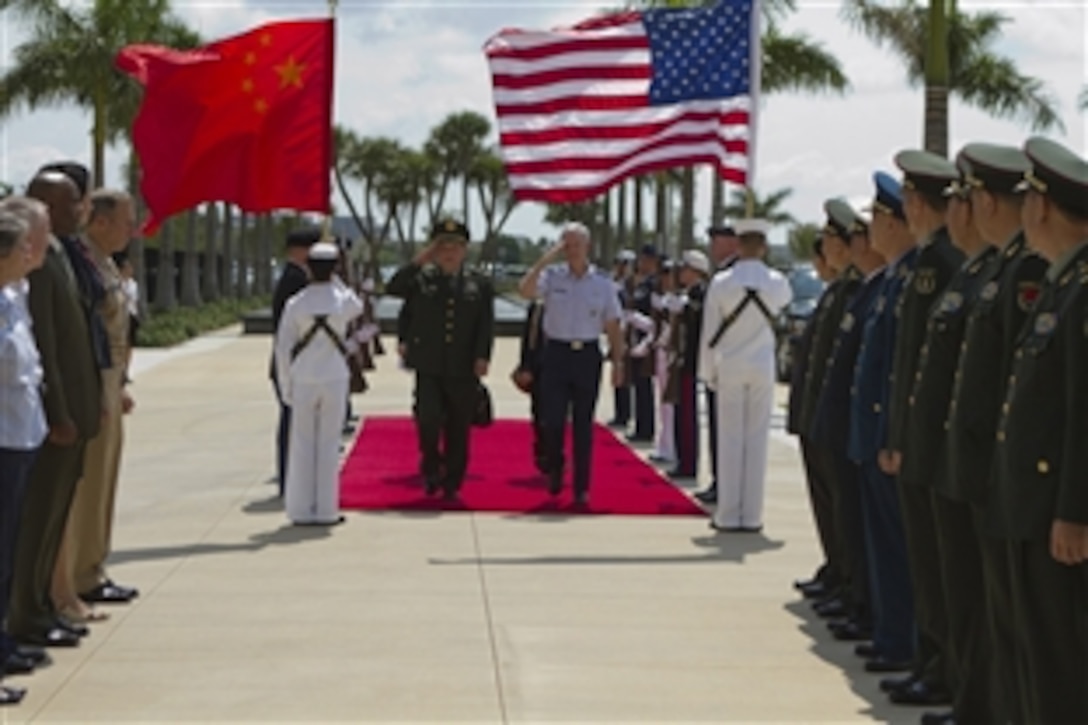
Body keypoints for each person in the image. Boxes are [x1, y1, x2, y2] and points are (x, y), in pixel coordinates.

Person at [943, 143, 1047, 725]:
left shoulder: (1027, 272)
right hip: (985, 468)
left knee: (1015, 620)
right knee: (984, 605)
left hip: (1007, 476)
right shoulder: (996, 269)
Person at [990, 137, 1088, 725]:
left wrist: (1075, 508)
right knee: (1034, 652)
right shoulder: (1062, 283)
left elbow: (1083, 409)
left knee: (1058, 658)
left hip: (1058, 512)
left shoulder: (1080, 291)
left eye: (1027, 199)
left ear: (1043, 207)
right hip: (1030, 502)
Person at [910, 145, 1008, 725]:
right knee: (955, 588)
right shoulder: (975, 271)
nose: (956, 213)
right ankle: (958, 685)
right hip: (953, 458)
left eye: (964, 200)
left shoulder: (1005, 275)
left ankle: (973, 697)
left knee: (981, 601)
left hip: (979, 467)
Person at [882, 150, 964, 707]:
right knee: (929, 565)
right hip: (917, 435)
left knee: (942, 569)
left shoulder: (938, 264)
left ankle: (942, 670)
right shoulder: (926, 262)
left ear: (916, 203)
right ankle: (933, 663)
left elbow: (927, 365)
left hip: (931, 440)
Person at [8, 173, 101, 648]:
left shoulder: (62, 255)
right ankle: (26, 613)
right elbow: (44, 344)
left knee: (51, 521)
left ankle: (41, 607)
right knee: (35, 523)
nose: (78, 211)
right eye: (67, 205)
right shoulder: (38, 268)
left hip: (71, 413)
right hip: (46, 421)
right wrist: (60, 412)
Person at [848, 171, 918, 675]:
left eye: (876, 216)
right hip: (874, 431)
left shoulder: (914, 276)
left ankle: (903, 639)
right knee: (884, 544)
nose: (870, 226)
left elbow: (902, 366)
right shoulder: (893, 278)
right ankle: (891, 632)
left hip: (890, 435)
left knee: (900, 548)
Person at [58, 189, 139, 619]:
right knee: (87, 485)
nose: (133, 229)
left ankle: (93, 568)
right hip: (92, 382)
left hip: (110, 380)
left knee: (105, 479)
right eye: (127, 221)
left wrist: (120, 383)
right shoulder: (80, 259)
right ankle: (79, 576)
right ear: (99, 221)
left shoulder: (102, 262)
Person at [808, 201, 886, 645]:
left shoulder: (864, 289)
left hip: (853, 429)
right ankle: (845, 580)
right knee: (839, 511)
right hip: (833, 423)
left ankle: (859, 595)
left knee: (857, 519)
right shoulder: (847, 290)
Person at [386, 219, 495, 500]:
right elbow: (394, 290)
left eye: (455, 246)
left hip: (463, 365)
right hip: (428, 362)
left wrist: (483, 356)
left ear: (464, 250)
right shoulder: (422, 278)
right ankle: (431, 465)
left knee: (459, 425)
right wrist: (420, 260)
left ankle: (452, 481)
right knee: (428, 418)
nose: (449, 252)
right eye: (443, 246)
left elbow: (486, 323)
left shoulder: (478, 282)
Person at [518, 222, 625, 506]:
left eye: (576, 245)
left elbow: (613, 325)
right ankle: (554, 465)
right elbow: (525, 291)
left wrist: (618, 362)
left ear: (587, 247)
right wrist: (545, 259)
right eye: (567, 245)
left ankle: (581, 489)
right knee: (551, 420)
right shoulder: (552, 278)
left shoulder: (602, 284)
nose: (572, 250)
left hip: (587, 356)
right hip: (556, 355)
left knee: (583, 426)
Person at [698, 219, 792, 532]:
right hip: (762, 365)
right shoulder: (777, 281)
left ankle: (728, 513)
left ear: (738, 246)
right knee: (756, 441)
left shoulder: (722, 282)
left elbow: (709, 333)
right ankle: (752, 515)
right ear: (763, 247)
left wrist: (707, 373)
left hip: (731, 365)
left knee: (730, 440)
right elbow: (784, 306)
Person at [793, 199, 862, 602]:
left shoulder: (853, 289)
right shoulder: (838, 290)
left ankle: (848, 580)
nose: (828, 246)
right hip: (818, 415)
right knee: (827, 502)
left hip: (833, 420)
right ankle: (837, 569)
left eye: (833, 238)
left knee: (842, 507)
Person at [274, 242, 364, 526]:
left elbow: (283, 349)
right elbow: (357, 305)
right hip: (334, 377)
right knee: (328, 444)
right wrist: (336, 277)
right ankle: (326, 510)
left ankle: (300, 509)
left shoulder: (296, 304)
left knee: (301, 444)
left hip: (304, 377)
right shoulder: (342, 301)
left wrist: (286, 384)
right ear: (334, 268)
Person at [0, 211, 42, 706]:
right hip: (4, 435)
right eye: (20, 250)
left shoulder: (14, 298)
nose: (30, 255)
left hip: (20, 433)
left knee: (7, 552)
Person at [270, 228, 319, 497]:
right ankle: (290, 479)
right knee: (293, 423)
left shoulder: (297, 277)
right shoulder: (295, 281)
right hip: (294, 364)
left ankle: (292, 478)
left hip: (296, 363)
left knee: (295, 423)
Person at [694, 224, 740, 504]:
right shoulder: (723, 273)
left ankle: (724, 483)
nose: (712, 246)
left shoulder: (729, 276)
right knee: (720, 429)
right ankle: (721, 481)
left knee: (724, 430)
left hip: (726, 363)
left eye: (718, 240)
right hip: (727, 362)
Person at [667, 250, 710, 479]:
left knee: (686, 415)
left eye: (684, 269)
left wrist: (686, 307)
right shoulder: (688, 294)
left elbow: (700, 322)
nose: (679, 274)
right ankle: (682, 459)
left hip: (692, 361)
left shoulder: (701, 293)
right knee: (679, 412)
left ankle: (688, 464)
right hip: (683, 360)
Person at [513, 299, 548, 473]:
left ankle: (554, 453)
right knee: (539, 412)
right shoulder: (536, 307)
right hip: (538, 367)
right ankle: (542, 449)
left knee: (557, 415)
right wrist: (524, 366)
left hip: (562, 366)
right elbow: (528, 339)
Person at [606, 250, 635, 429]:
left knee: (624, 376)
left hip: (627, 332)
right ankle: (620, 412)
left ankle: (624, 414)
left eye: (624, 264)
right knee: (617, 376)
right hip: (617, 330)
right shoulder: (615, 284)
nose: (621, 268)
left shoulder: (628, 287)